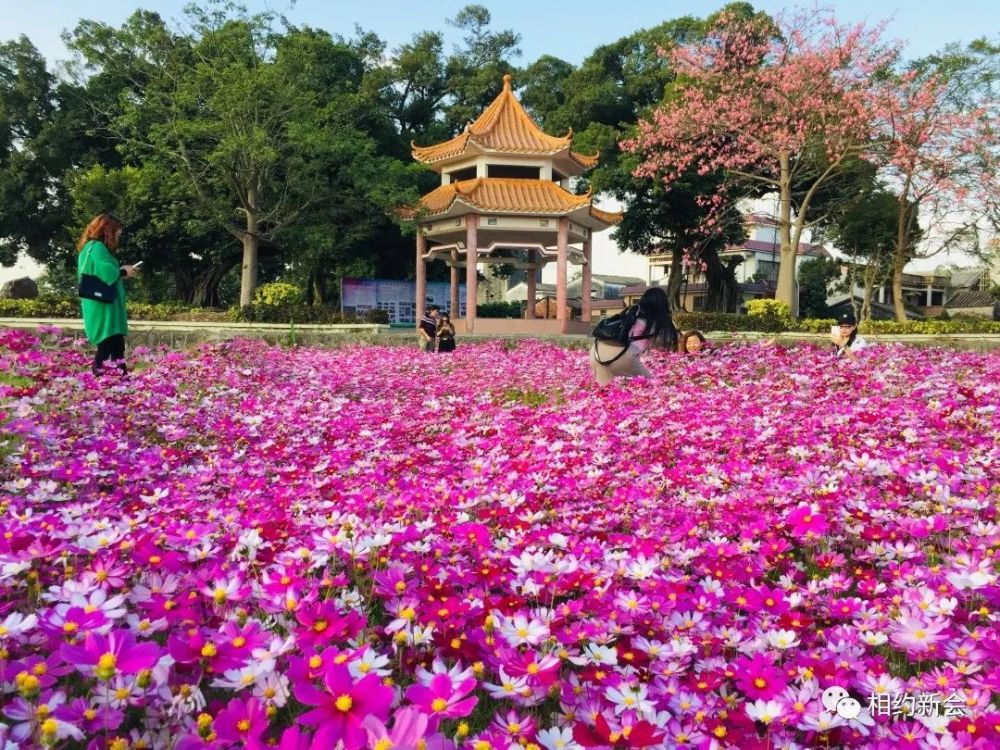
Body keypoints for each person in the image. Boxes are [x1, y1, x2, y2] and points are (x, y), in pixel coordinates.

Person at [76, 213, 139, 376]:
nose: (119, 234)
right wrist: (124, 271)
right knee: (107, 344)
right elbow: (107, 273)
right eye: (117, 230)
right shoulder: (97, 247)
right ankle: (97, 379)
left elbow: (102, 271)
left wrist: (122, 270)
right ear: (107, 230)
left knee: (116, 344)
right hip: (103, 305)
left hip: (100, 302)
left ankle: (123, 380)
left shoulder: (90, 247)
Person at [590, 287, 678, 386]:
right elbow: (667, 344)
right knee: (649, 385)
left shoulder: (630, 312)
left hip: (595, 354)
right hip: (622, 356)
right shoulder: (657, 320)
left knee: (608, 391)